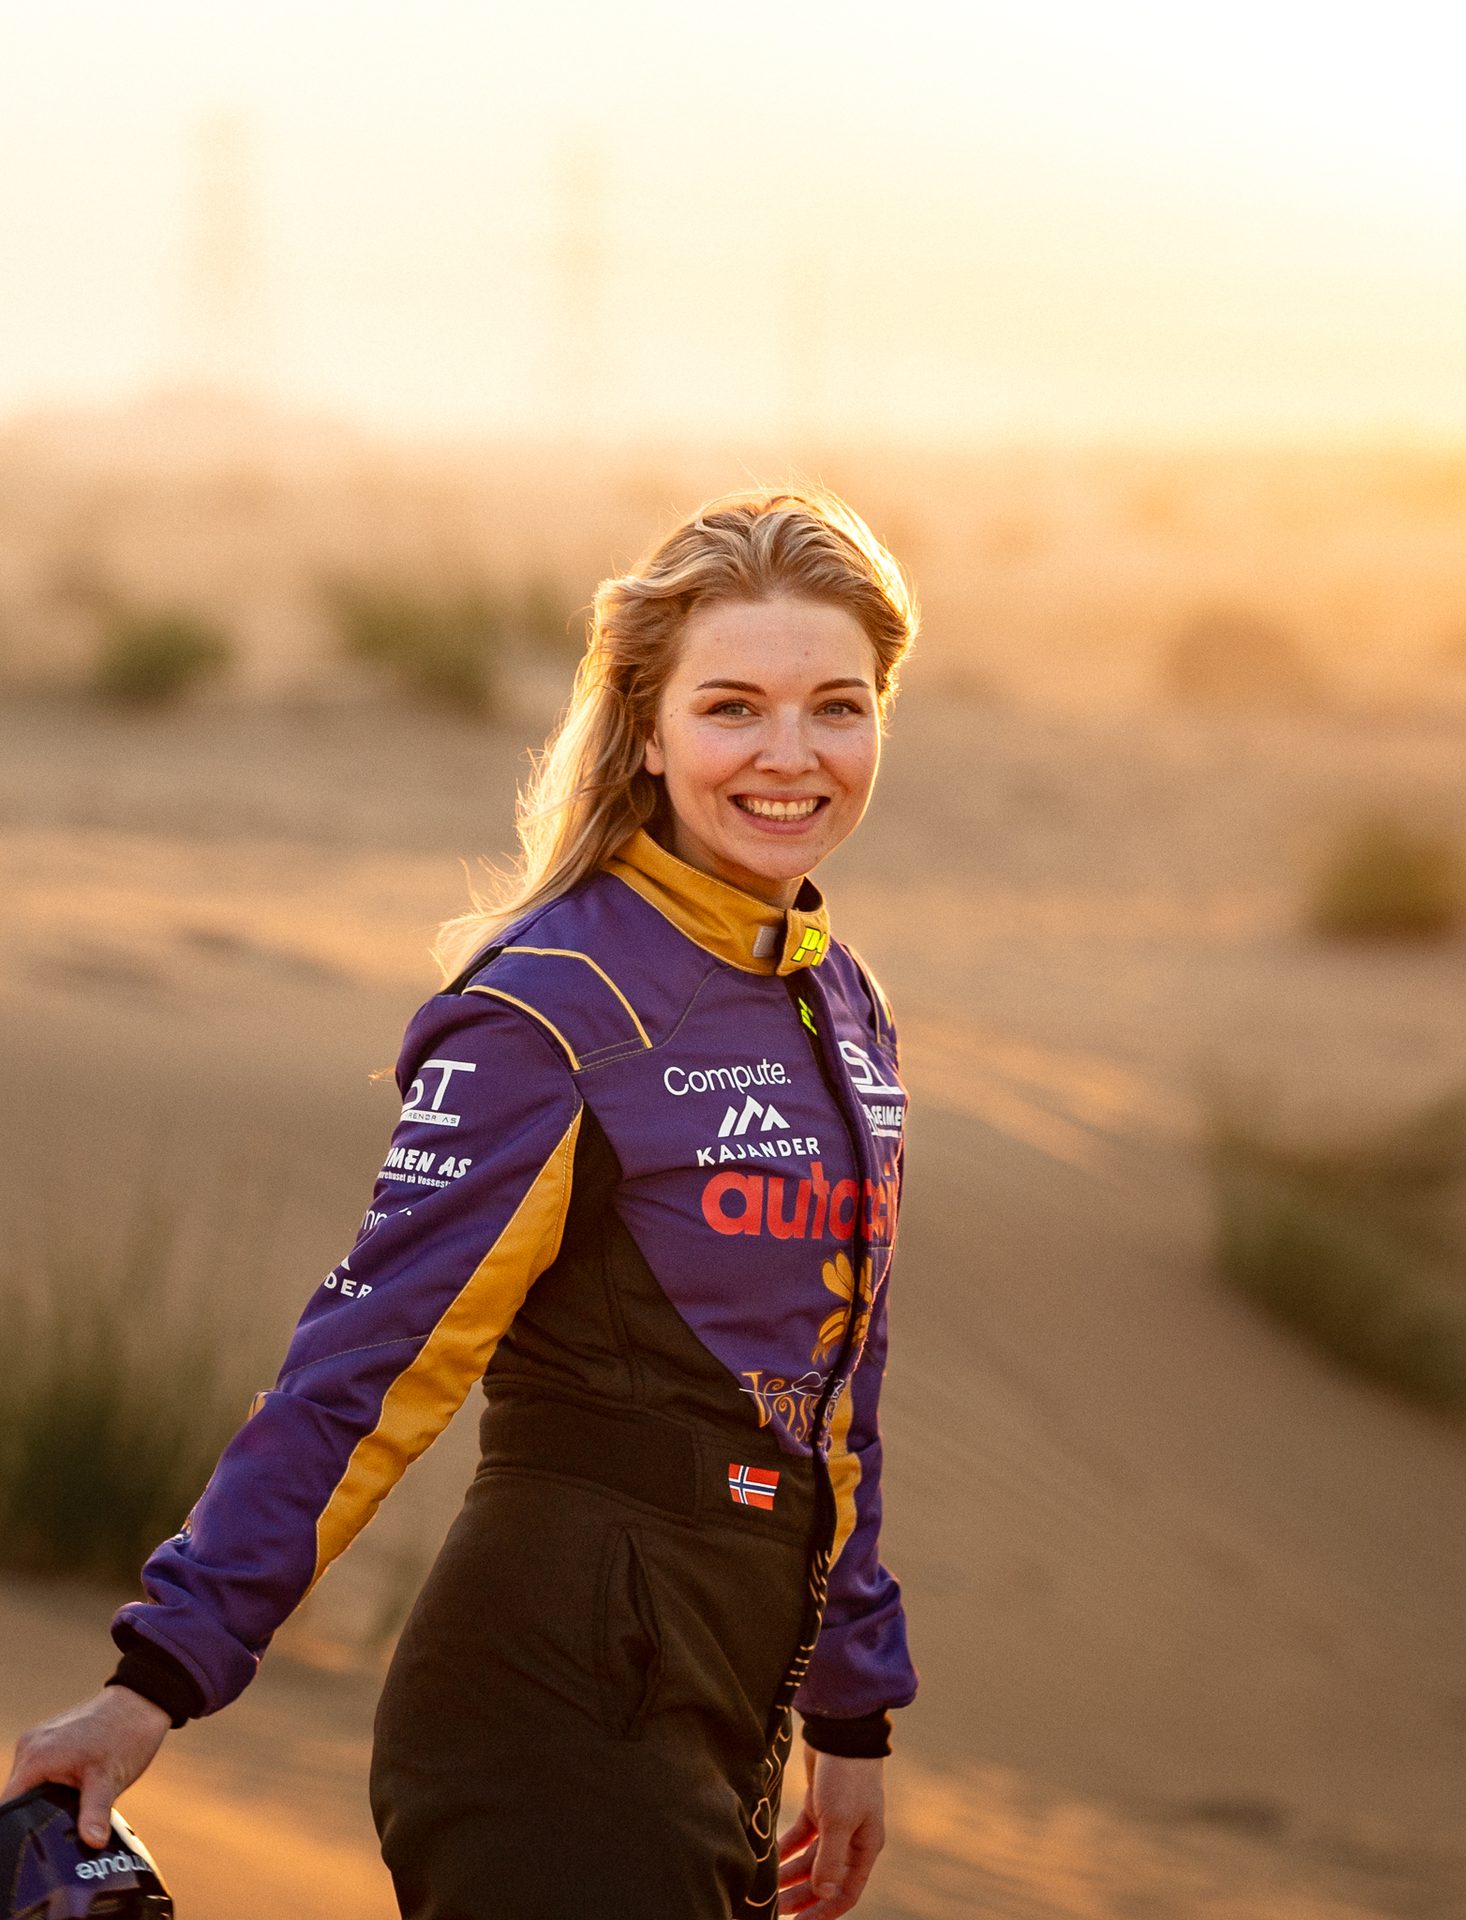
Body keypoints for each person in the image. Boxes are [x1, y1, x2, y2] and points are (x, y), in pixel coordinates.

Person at [2, 487, 921, 1920]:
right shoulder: (556, 1007)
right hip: (552, 1710)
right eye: (733, 707)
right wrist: (156, 1680)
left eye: (839, 708)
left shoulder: (835, 999)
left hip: (727, 1713)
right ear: (649, 726)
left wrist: (851, 1714)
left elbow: (838, 1388)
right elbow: (367, 1367)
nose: (791, 757)